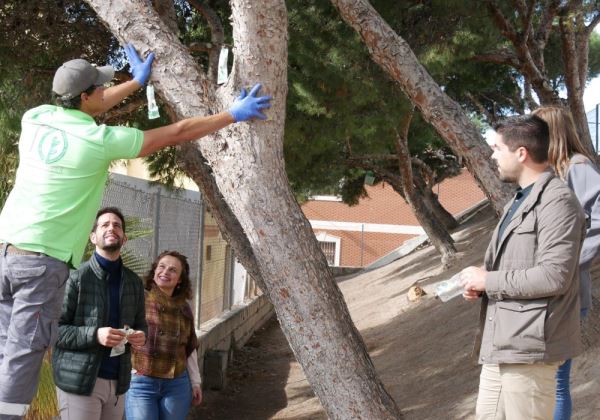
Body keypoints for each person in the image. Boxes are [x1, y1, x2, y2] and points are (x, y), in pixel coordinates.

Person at [0, 43, 270, 418]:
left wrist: (134, 83)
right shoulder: (98, 141)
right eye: (100, 88)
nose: (104, 93)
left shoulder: (36, 117)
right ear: (86, 96)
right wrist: (232, 115)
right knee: (25, 350)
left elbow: (89, 102)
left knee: (3, 346)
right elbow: (176, 132)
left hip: (7, 251)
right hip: (42, 263)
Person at [458, 115, 585, 419]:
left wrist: (489, 281)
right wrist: (480, 283)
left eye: (497, 148)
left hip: (529, 350)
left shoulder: (558, 201)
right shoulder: (519, 200)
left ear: (521, 153)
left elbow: (555, 276)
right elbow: (516, 264)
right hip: (501, 345)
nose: (492, 156)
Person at [532, 106, 600, 420]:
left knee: (554, 382)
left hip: (568, 294)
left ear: (550, 131)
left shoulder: (578, 166)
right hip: (539, 294)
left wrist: (570, 263)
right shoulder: (547, 171)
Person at [52, 207, 146, 419]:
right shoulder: (76, 278)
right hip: (80, 383)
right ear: (93, 236)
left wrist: (140, 335)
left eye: (117, 225)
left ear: (124, 239)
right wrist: (96, 335)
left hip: (118, 383)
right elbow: (55, 330)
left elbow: (141, 324)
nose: (112, 228)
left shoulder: (134, 282)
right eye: (105, 224)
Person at [125, 251, 202, 420]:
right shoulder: (138, 299)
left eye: (173, 270)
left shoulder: (184, 308)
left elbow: (189, 348)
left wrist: (195, 382)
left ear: (180, 279)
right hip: (141, 383)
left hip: (176, 384)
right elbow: (122, 333)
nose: (165, 272)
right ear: (154, 271)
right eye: (161, 267)